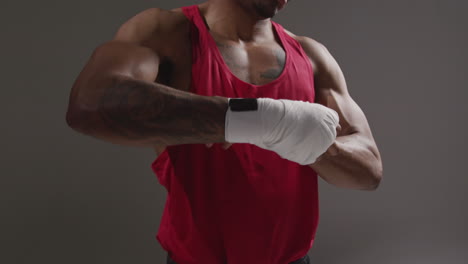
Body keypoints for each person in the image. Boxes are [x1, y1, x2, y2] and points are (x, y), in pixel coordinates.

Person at [66, 0, 383, 263]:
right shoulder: (168, 33)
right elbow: (90, 101)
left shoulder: (312, 57)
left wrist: (311, 141)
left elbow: (369, 170)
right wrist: (258, 121)